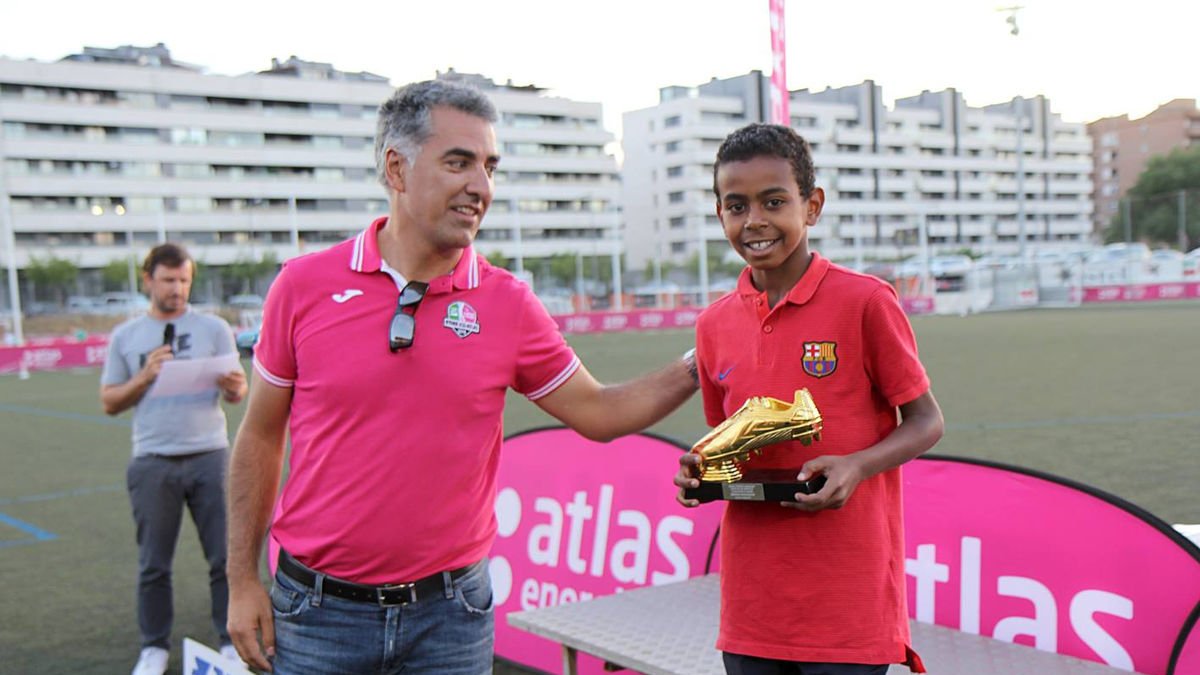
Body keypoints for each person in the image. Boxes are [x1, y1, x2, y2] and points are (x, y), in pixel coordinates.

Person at [226, 79, 698, 674]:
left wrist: (699, 360)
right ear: (396, 169)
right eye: (459, 163)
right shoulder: (302, 286)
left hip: (451, 620)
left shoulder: (508, 302)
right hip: (317, 616)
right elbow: (261, 435)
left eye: (489, 166)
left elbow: (600, 412)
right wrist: (241, 579)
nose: (481, 186)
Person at [674, 123, 945, 675]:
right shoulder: (713, 325)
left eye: (774, 201)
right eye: (736, 205)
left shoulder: (865, 301)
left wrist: (857, 465)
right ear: (720, 213)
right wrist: (700, 475)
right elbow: (728, 452)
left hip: (848, 610)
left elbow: (926, 421)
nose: (754, 220)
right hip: (752, 612)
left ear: (811, 206)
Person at [100, 242, 248, 675]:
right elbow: (109, 401)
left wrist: (234, 386)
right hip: (153, 459)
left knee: (225, 556)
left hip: (211, 455)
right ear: (148, 281)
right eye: (169, 280)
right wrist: (145, 376)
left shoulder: (215, 329)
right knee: (153, 563)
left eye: (184, 280)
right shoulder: (126, 336)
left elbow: (237, 395)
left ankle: (228, 640)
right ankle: (154, 647)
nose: (178, 289)